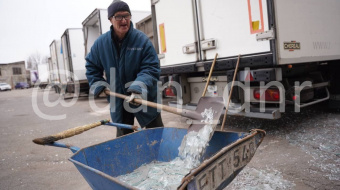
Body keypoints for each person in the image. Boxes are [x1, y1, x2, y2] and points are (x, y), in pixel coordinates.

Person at [85, 0, 163, 137]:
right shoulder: (100, 44)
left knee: (156, 135)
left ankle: (161, 156)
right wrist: (100, 85)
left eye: (127, 16)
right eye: (119, 17)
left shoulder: (142, 41)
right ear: (110, 19)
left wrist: (138, 87)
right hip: (119, 100)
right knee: (124, 140)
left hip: (144, 97)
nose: (124, 20)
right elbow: (91, 66)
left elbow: (151, 68)